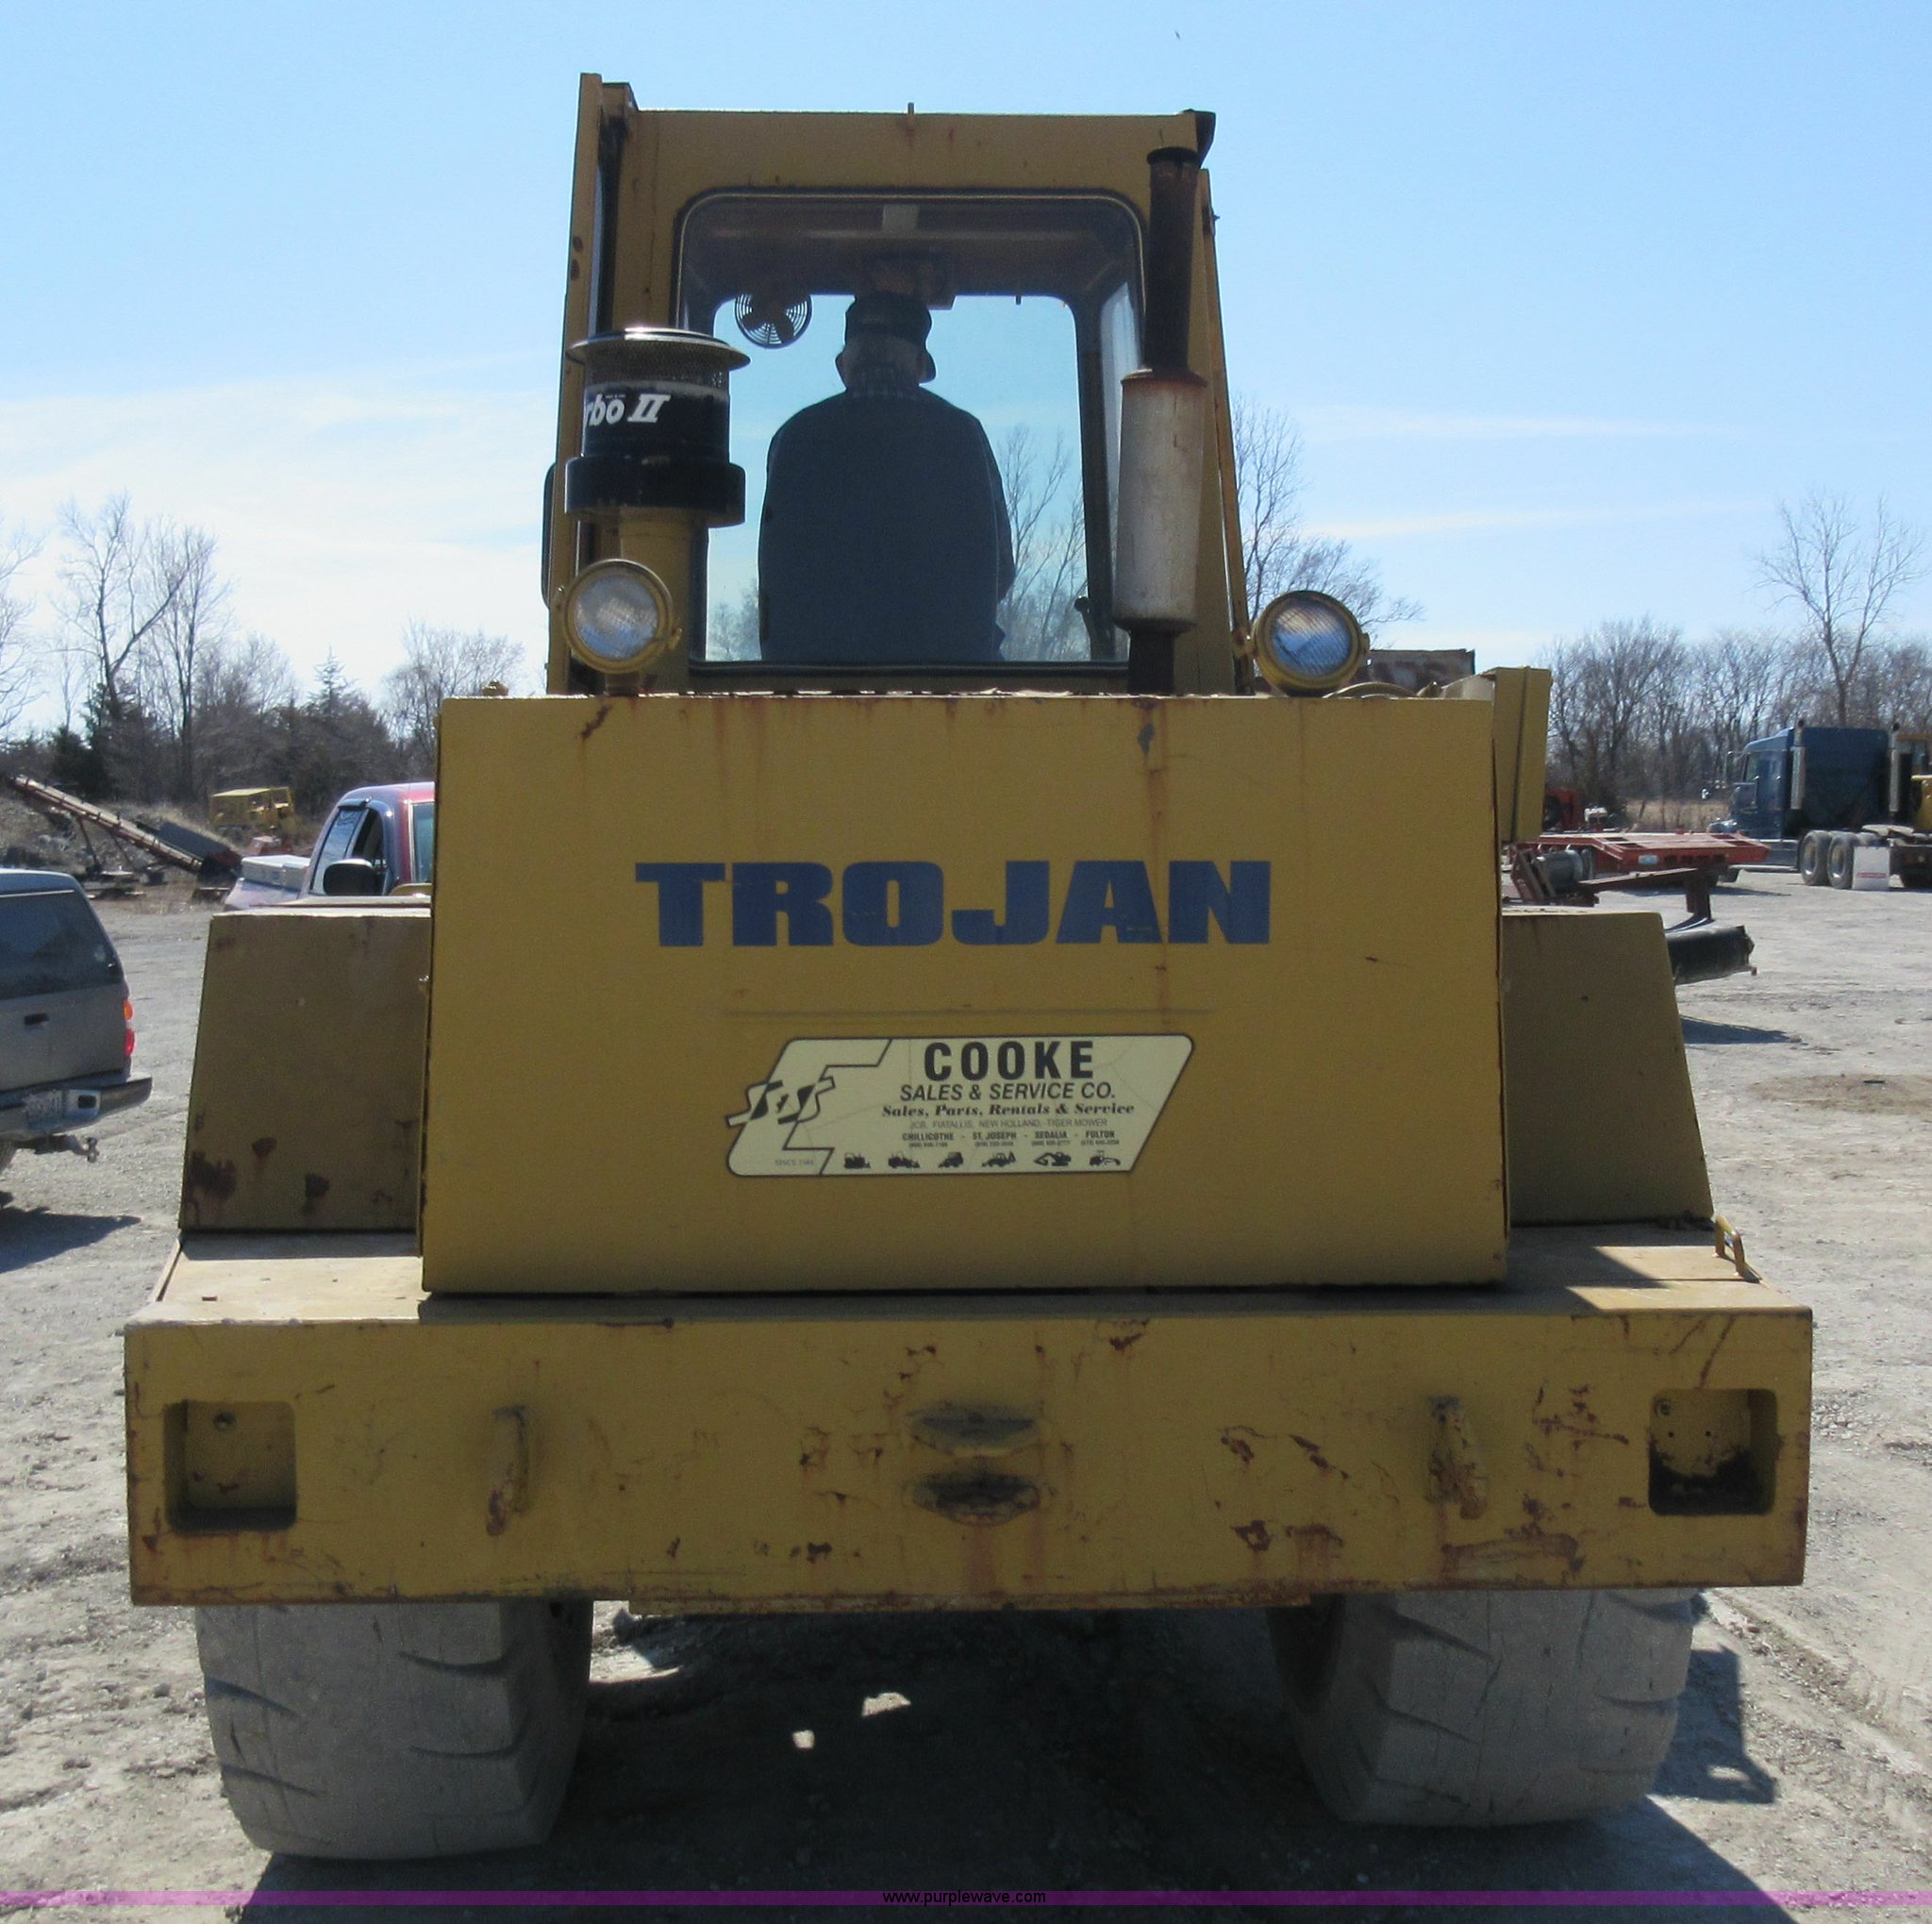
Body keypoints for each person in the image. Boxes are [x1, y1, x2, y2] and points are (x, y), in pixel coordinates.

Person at [757, 293, 1015, 663]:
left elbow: (775, 576)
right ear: (920, 364)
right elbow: (999, 572)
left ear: (843, 365)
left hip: (814, 675)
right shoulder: (964, 434)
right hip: (949, 675)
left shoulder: (794, 437)